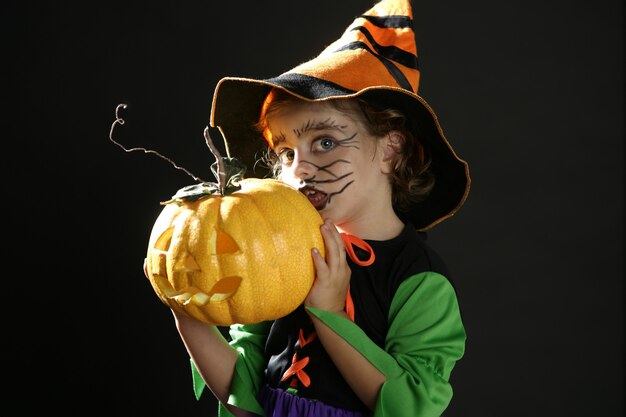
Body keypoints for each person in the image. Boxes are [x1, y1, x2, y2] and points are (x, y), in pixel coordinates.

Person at [146, 1, 471, 416]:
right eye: (283, 152)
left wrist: (328, 314)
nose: (297, 170)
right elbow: (243, 397)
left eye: (325, 142)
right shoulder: (274, 253)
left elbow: (412, 406)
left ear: (392, 148)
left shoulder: (419, 280)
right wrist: (189, 313)